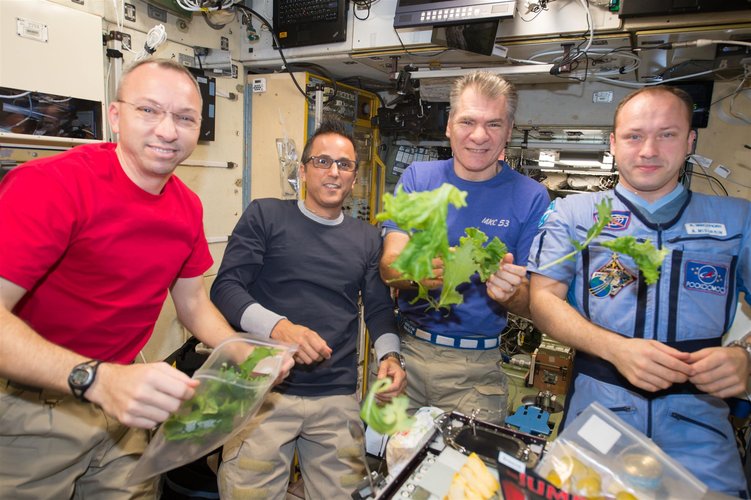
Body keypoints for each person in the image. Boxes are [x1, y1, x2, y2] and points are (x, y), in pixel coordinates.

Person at [0, 59, 291, 498]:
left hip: (126, 401)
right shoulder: (50, 186)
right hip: (32, 404)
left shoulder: (186, 206)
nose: (168, 130)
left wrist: (246, 357)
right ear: (116, 116)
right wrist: (99, 380)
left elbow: (193, 305)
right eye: (149, 110)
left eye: (184, 117)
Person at [527, 86, 750, 495]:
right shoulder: (572, 214)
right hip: (598, 412)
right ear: (613, 143)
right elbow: (542, 300)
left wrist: (745, 356)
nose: (648, 150)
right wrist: (617, 350)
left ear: (689, 140)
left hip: (699, 425)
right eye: (634, 136)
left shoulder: (738, 220)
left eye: (666, 134)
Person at [210, 118, 407, 499]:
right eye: (322, 161)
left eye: (344, 164)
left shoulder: (367, 238)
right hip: (264, 390)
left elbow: (379, 309)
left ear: (353, 177)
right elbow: (226, 288)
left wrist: (392, 358)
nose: (333, 172)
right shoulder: (265, 216)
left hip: (335, 397)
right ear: (302, 170)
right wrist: (280, 328)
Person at [379, 71, 549, 424]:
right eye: (467, 121)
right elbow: (388, 267)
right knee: (395, 468)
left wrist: (512, 294)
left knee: (466, 477)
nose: (478, 136)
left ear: (510, 129)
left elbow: (537, 303)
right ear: (449, 126)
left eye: (493, 124)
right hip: (407, 356)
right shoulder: (418, 178)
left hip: (477, 373)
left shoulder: (531, 197)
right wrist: (415, 273)